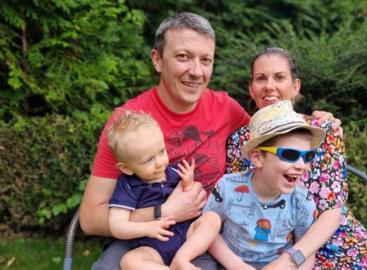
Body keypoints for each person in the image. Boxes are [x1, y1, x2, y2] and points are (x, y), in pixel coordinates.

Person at [79, 12, 338, 269]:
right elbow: (90, 219)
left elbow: (273, 129)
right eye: (183, 57)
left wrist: (318, 121)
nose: (196, 71)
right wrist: (164, 212)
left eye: (206, 60)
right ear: (157, 60)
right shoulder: (127, 125)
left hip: (199, 235)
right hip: (139, 237)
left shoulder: (225, 108)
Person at [223, 47, 367, 269]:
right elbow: (236, 202)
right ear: (251, 89)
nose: (269, 85)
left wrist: (292, 258)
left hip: (330, 238)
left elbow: (332, 211)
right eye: (261, 78)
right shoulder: (240, 141)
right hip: (266, 240)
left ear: (295, 87)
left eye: (279, 77)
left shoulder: (323, 131)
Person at [204, 101, 323, 270]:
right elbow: (208, 231)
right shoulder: (228, 187)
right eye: (289, 154)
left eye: (308, 156)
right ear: (257, 158)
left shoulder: (302, 201)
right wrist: (236, 265)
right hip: (228, 262)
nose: (301, 165)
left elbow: (307, 249)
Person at [106, 110, 221, 270]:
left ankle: (182, 259)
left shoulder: (173, 172)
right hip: (152, 245)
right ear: (126, 168)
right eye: (148, 160)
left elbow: (189, 200)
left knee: (212, 219)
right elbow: (117, 225)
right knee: (129, 261)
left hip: (186, 234)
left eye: (161, 152)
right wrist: (146, 227)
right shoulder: (128, 185)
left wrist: (188, 182)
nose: (160, 162)